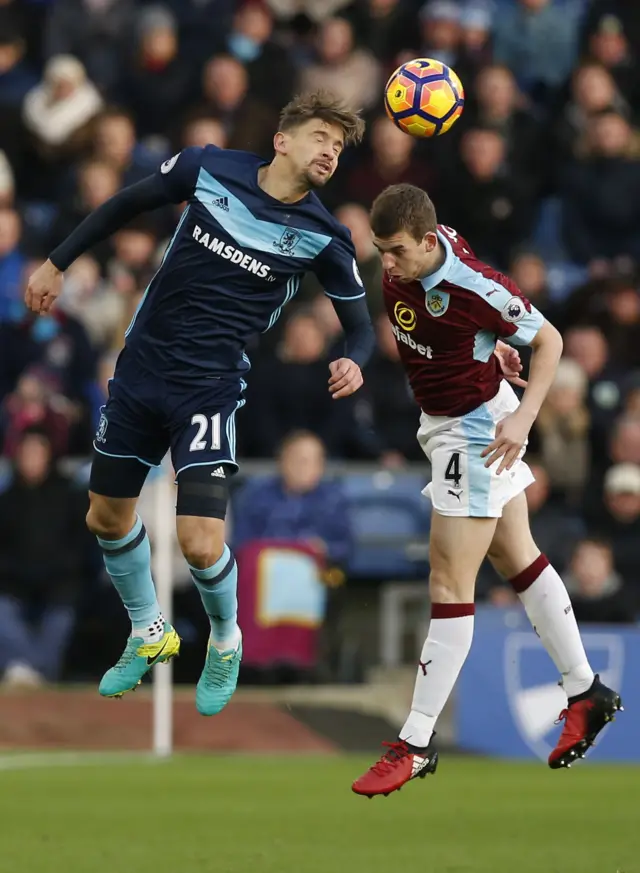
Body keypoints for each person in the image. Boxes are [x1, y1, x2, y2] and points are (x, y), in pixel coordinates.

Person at [24, 90, 374, 717]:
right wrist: (57, 262)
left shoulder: (324, 236)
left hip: (209, 387)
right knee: (104, 518)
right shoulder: (207, 168)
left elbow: (362, 327)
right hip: (139, 372)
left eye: (339, 146)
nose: (329, 152)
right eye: (321, 137)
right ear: (283, 139)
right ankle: (148, 632)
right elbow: (125, 204)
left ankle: (226, 639)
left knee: (202, 542)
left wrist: (355, 359)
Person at [351, 183, 622, 798]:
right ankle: (586, 690)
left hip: (472, 432)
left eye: (394, 252)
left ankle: (415, 741)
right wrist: (488, 347)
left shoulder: (476, 283)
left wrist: (523, 419)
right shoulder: (432, 250)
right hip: (448, 418)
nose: (386, 264)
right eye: (379, 251)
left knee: (449, 583)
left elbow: (549, 339)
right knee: (517, 557)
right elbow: (471, 329)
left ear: (426, 240)